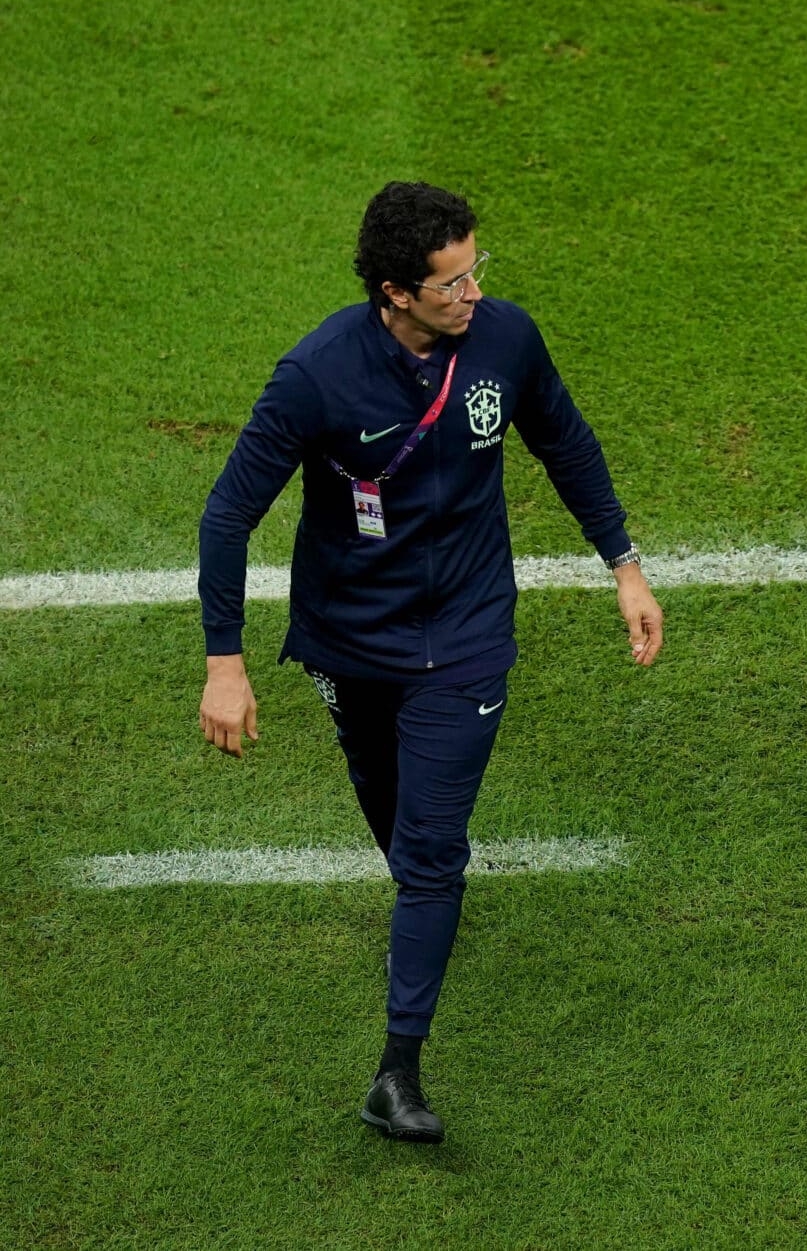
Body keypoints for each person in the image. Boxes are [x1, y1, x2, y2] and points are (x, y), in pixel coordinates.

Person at [197, 181, 663, 1142]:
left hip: (467, 633)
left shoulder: (506, 342)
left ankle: (396, 1070)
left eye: (476, 269)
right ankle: (423, 903)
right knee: (390, 809)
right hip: (350, 638)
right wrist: (224, 662)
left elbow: (565, 444)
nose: (474, 294)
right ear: (393, 291)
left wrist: (625, 565)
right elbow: (228, 513)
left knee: (430, 850)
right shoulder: (317, 375)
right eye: (452, 282)